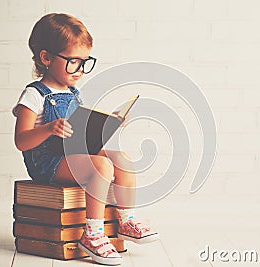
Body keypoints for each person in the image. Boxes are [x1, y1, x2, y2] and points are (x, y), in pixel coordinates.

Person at [12, 13, 159, 265]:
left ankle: (126, 220)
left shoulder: (73, 93)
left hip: (72, 154)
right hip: (48, 163)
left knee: (120, 158)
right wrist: (48, 128)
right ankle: (92, 233)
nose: (80, 69)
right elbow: (21, 141)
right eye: (73, 62)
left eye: (84, 62)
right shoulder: (34, 94)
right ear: (46, 58)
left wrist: (105, 125)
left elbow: (79, 132)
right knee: (101, 166)